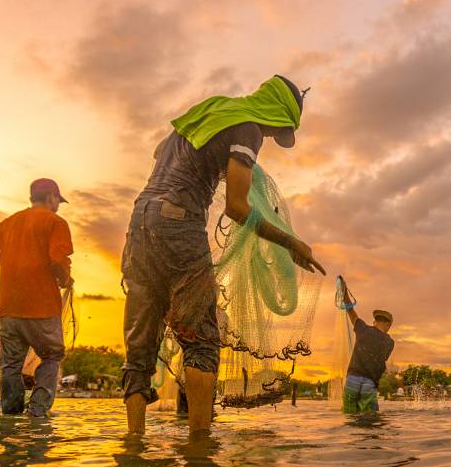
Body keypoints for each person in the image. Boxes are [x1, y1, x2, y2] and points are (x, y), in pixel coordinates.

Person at [122, 75, 326, 435]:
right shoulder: (247, 128)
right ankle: (200, 449)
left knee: (141, 339)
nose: (269, 137)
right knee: (201, 339)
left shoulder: (213, 110)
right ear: (277, 114)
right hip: (179, 224)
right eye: (276, 130)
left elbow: (160, 151)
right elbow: (236, 207)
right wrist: (290, 242)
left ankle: (134, 444)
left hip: (140, 220)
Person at [0, 178, 73, 417]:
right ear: (51, 197)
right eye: (58, 200)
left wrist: (5, 260)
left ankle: (10, 415)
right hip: (43, 308)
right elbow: (58, 259)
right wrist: (66, 280)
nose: (58, 205)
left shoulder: (11, 222)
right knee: (51, 356)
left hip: (9, 311)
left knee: (10, 365)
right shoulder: (55, 222)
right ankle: (37, 413)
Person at [339, 277, 395, 413]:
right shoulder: (389, 342)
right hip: (369, 384)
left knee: (349, 417)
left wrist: (344, 291)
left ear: (375, 321)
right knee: (370, 419)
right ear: (388, 324)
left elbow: (350, 310)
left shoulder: (363, 329)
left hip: (352, 380)